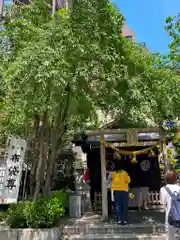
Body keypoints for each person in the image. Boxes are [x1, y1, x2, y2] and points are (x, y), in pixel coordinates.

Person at [107, 160, 131, 225]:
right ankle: (125, 220)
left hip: (116, 192)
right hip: (124, 191)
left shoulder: (113, 173)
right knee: (125, 206)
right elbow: (129, 181)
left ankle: (119, 220)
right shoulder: (124, 173)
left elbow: (108, 181)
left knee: (118, 206)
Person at [160, 170, 180, 239]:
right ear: (175, 179)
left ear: (165, 179)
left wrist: (163, 209)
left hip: (170, 216)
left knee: (170, 236)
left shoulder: (163, 189)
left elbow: (162, 203)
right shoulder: (179, 188)